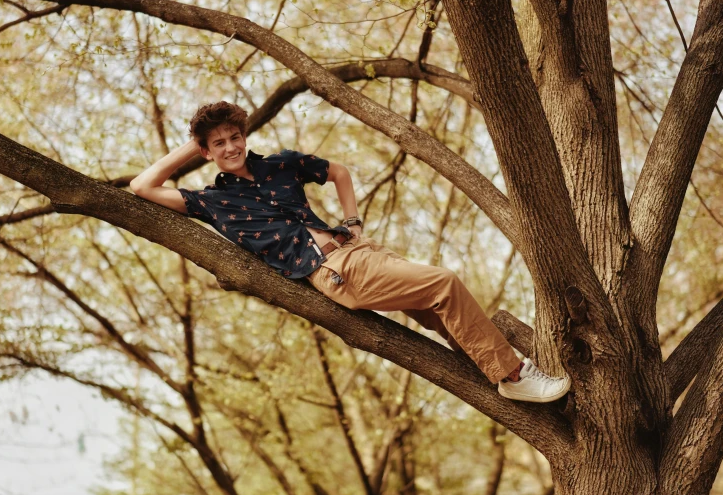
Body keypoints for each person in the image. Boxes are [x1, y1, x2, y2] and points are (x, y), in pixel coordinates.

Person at [130, 101, 571, 403]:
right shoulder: (212, 201)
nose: (230, 147)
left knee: (441, 314)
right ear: (206, 152)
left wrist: (353, 220)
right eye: (218, 143)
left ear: (245, 136)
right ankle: (513, 376)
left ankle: (493, 373)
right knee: (443, 283)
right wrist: (195, 138)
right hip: (331, 271)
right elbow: (142, 186)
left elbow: (338, 171)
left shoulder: (279, 164)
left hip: (358, 251)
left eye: (234, 136)